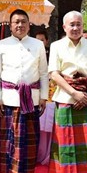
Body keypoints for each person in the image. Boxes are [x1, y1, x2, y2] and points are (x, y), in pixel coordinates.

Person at [0, 9, 49, 173]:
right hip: (9, 99)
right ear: (10, 25)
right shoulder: (1, 45)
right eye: (16, 22)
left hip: (31, 100)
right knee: (10, 141)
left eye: (23, 21)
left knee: (29, 141)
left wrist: (43, 97)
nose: (20, 25)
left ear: (29, 25)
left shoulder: (37, 45)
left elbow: (43, 73)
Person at [48, 11, 87, 173]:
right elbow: (54, 74)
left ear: (83, 26)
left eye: (79, 24)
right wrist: (73, 93)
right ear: (64, 27)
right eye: (72, 24)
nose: (75, 28)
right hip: (65, 97)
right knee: (65, 141)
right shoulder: (56, 46)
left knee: (85, 142)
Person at [34, 29, 54, 165]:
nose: (40, 43)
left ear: (46, 41)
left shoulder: (52, 55)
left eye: (42, 40)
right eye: (37, 40)